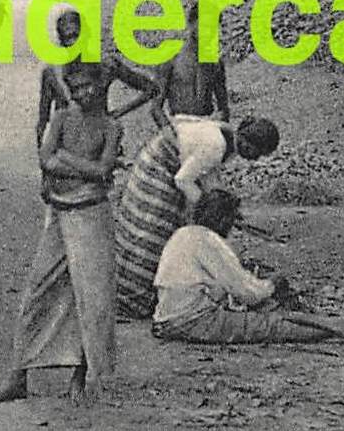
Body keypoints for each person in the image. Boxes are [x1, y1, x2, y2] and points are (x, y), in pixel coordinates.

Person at [0, 63, 120, 405]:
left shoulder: (110, 126)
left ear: (100, 85)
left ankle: (83, 375)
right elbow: (46, 160)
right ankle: (19, 374)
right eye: (76, 89)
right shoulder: (61, 120)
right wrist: (83, 168)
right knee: (38, 291)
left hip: (92, 216)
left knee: (91, 299)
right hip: (62, 213)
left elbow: (103, 169)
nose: (84, 94)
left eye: (90, 86)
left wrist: (67, 160)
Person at [151, 190, 344, 345]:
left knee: (267, 318)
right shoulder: (209, 242)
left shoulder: (184, 234)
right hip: (189, 321)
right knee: (269, 324)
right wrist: (272, 284)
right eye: (231, 220)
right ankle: (339, 328)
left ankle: (338, 324)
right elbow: (248, 294)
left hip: (171, 316)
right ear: (223, 220)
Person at [113, 113, 278, 320]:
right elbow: (183, 180)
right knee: (151, 229)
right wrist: (208, 207)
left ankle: (149, 292)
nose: (256, 158)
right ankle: (133, 297)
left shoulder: (226, 136)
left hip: (172, 164)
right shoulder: (216, 146)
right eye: (258, 151)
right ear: (246, 142)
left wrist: (224, 204)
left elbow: (205, 171)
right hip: (160, 167)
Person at [36, 6, 157, 151]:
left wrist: (118, 113)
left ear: (86, 35)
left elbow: (151, 89)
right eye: (68, 38)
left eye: (76, 36)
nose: (73, 43)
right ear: (61, 41)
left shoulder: (106, 66)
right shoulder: (52, 74)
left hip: (98, 145)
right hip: (66, 147)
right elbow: (42, 122)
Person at [148, 2, 231, 126]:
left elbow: (223, 109)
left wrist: (216, 121)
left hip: (207, 124)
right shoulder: (171, 58)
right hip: (178, 124)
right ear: (191, 23)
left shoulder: (215, 63)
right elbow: (155, 108)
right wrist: (169, 130)